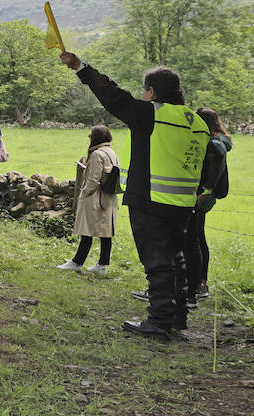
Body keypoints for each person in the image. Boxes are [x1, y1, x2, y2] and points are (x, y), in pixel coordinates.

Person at [59, 52, 209, 340]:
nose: (142, 95)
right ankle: (177, 316)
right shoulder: (197, 122)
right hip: (184, 204)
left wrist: (80, 67)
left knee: (157, 261)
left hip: (151, 200)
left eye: (144, 90)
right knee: (176, 258)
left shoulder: (151, 113)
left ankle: (160, 321)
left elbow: (112, 94)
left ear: (152, 91)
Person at [185, 108, 232, 305]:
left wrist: (204, 192)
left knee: (195, 240)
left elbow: (210, 172)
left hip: (201, 196)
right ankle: (200, 282)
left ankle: (197, 284)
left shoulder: (213, 144)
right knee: (198, 238)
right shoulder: (220, 140)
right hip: (206, 195)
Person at [58, 124, 120, 274]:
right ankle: (101, 265)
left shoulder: (98, 154)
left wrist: (84, 194)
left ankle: (77, 262)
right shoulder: (111, 152)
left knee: (86, 229)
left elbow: (93, 179)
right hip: (109, 197)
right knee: (106, 232)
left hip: (95, 197)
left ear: (96, 137)